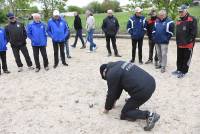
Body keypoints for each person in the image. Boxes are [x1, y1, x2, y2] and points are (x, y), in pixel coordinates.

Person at [100, 61, 160, 131]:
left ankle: (149, 115)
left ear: (104, 73)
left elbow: (111, 94)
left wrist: (107, 108)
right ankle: (134, 105)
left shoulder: (111, 74)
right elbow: (118, 87)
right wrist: (114, 102)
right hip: (151, 82)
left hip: (143, 91)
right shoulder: (118, 64)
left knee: (125, 113)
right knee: (130, 91)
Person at [172, 5, 198, 78]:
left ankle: (184, 71)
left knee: (186, 58)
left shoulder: (192, 19)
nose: (180, 13)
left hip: (188, 44)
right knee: (179, 57)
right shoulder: (179, 20)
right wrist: (177, 41)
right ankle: (178, 69)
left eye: (181, 11)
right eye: (179, 11)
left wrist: (188, 41)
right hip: (179, 43)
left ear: (186, 11)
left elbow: (193, 32)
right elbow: (178, 32)